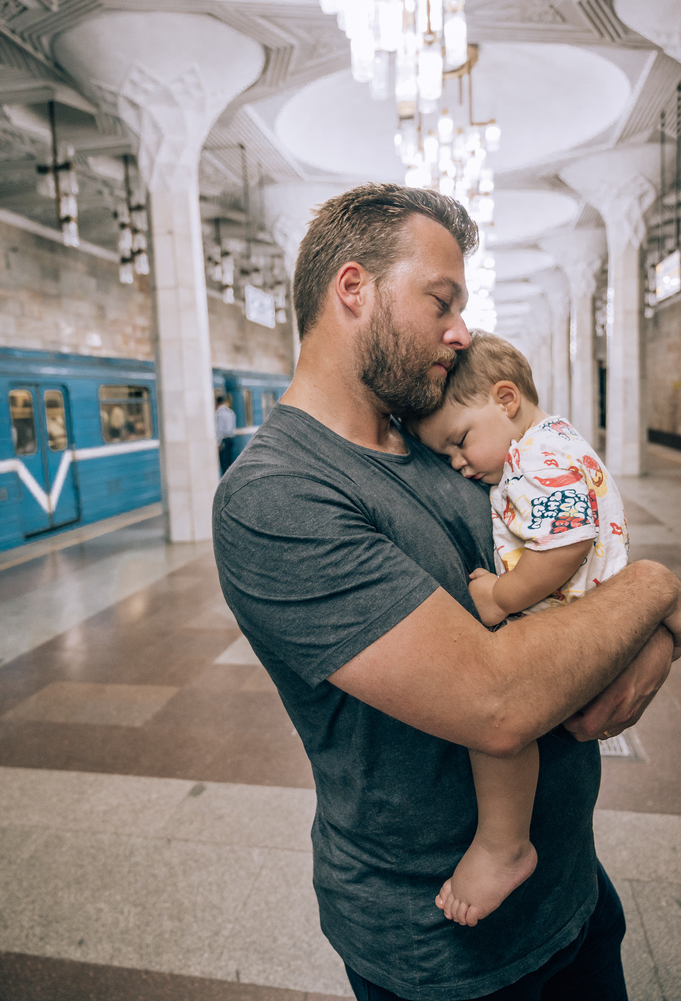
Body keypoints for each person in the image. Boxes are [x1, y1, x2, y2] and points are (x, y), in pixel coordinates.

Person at [213, 183, 681, 1001]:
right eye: (441, 300)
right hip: (445, 948)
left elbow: (567, 546)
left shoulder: (441, 440)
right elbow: (495, 702)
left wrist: (661, 629)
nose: (460, 331)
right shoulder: (278, 496)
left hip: (572, 888)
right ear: (352, 289)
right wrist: (657, 587)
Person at [412, 331, 631, 930]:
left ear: (505, 398)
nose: (459, 463)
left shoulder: (535, 457)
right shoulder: (554, 441)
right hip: (599, 608)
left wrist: (498, 596)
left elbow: (564, 544)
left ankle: (504, 845)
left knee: (493, 712)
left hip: (567, 622)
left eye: (459, 442)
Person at [215, 392, 236, 475]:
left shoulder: (219, 414)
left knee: (224, 462)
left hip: (223, 440)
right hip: (231, 438)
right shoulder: (230, 412)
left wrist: (218, 443)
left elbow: (219, 429)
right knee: (230, 461)